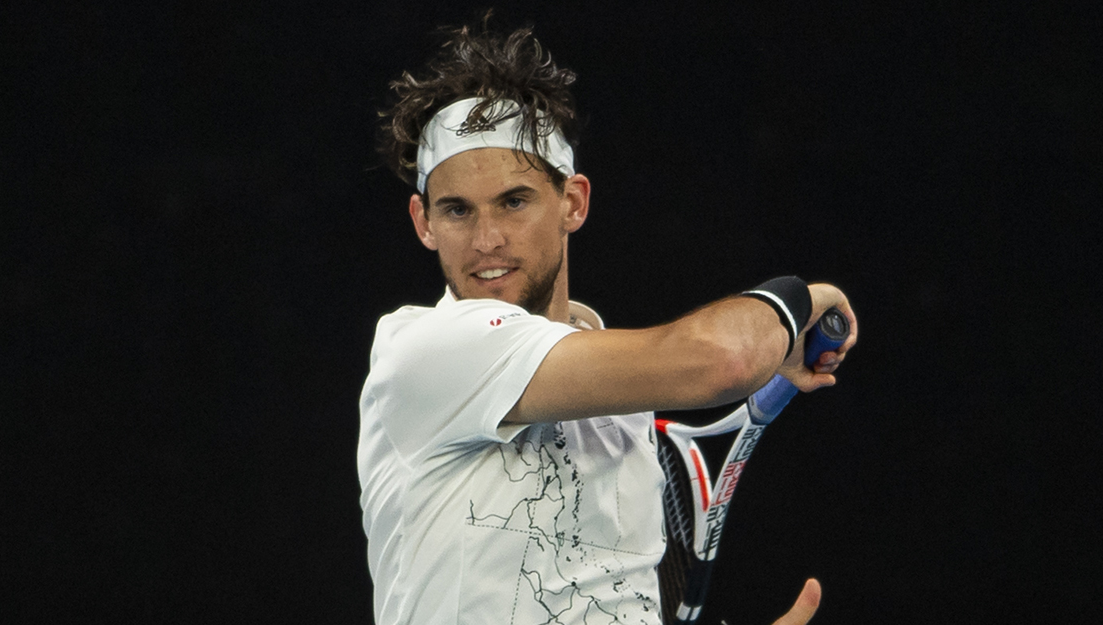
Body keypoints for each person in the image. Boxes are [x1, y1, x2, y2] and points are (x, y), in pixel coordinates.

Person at [358, 19, 857, 625]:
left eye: (515, 201)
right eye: (457, 210)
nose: (486, 240)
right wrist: (806, 296)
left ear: (573, 202)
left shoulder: (624, 410)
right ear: (423, 221)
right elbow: (725, 360)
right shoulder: (426, 349)